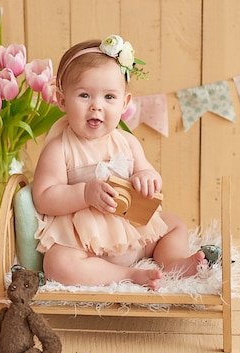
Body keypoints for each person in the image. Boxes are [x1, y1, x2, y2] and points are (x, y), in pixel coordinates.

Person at [32, 35, 213, 290]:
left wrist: (147, 177)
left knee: (174, 224)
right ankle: (126, 274)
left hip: (135, 234)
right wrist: (85, 193)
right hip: (86, 242)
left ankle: (173, 263)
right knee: (57, 263)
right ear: (62, 100)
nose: (97, 107)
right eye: (84, 95)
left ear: (125, 103)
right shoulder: (59, 148)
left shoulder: (127, 142)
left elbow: (146, 171)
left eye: (109, 97)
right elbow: (44, 197)